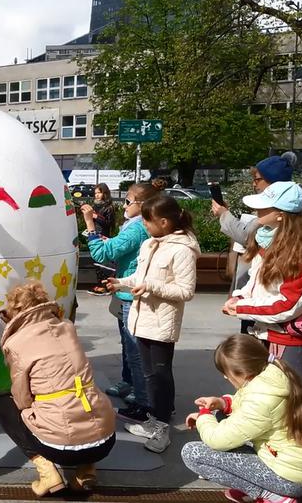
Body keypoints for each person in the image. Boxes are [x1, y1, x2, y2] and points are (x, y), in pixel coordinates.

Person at [0, 281, 116, 496]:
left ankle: (46, 471)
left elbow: (23, 399)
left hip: (58, 447)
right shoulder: (67, 327)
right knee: (82, 404)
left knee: (6, 407)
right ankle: (86, 470)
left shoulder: (17, 342)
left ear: (15, 311)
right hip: (105, 441)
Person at [182, 334, 302, 503]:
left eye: (226, 373)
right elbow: (246, 401)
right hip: (288, 465)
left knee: (192, 454)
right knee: (220, 416)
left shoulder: (262, 400)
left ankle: (272, 495)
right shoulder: (270, 373)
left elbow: (217, 440)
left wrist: (203, 416)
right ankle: (261, 487)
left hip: (286, 479)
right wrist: (223, 403)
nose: (225, 377)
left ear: (242, 372)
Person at [105, 194, 200, 453]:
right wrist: (121, 283)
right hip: (140, 319)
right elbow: (140, 275)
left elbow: (185, 291)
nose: (144, 225)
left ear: (165, 222)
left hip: (161, 323)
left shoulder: (182, 250)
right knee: (148, 375)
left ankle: (162, 427)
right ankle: (153, 420)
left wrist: (150, 287)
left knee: (159, 376)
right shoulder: (150, 244)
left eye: (148, 221)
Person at [221, 181, 302, 382]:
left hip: (289, 336)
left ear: (281, 214)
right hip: (265, 330)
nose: (256, 210)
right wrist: (241, 297)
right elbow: (257, 281)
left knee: (289, 397)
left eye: (263, 207)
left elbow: (288, 305)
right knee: (266, 394)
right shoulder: (265, 238)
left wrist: (242, 308)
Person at [80, 180, 165, 421]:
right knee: (133, 348)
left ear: (142, 204)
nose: (124, 206)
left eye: (127, 201)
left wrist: (89, 224)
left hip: (131, 294)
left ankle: (143, 402)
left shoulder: (136, 228)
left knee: (134, 350)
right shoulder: (142, 226)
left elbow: (101, 254)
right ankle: (134, 388)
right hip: (130, 291)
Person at [211, 155, 294, 335]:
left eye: (257, 179)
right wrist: (242, 297)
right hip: (256, 296)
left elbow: (247, 235)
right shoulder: (277, 212)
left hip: (270, 307)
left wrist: (224, 214)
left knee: (259, 352)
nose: (254, 184)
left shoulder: (288, 214)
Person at [84, 183, 117, 296]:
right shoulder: (94, 205)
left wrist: (95, 216)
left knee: (102, 261)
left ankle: (104, 286)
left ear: (105, 193)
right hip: (93, 233)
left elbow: (109, 223)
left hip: (103, 235)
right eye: (95, 193)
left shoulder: (109, 207)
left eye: (99, 192)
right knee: (96, 261)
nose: (97, 195)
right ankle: (100, 283)